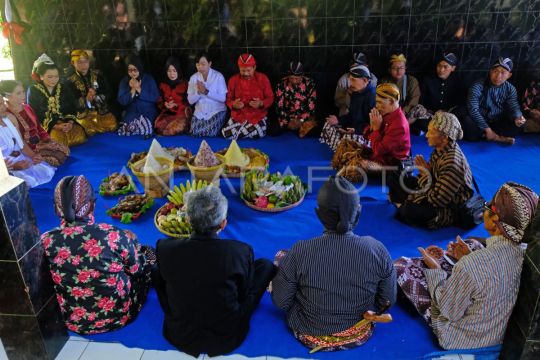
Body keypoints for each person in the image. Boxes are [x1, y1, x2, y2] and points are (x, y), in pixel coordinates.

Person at [394, 182, 538, 351]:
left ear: (494, 220)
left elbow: (449, 310)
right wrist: (469, 258)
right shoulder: (529, 255)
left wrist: (435, 271)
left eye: (487, 207)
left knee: (402, 266)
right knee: (474, 243)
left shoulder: (473, 264)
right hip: (502, 332)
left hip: (464, 338)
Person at [271, 176, 396, 352]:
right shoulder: (377, 250)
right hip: (358, 333)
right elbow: (387, 300)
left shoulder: (301, 251)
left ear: (318, 214)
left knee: (282, 258)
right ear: (358, 213)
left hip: (310, 333)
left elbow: (281, 302)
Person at [153, 186, 275, 357]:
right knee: (265, 266)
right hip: (228, 333)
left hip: (180, 333)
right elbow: (243, 291)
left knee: (157, 270)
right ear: (223, 223)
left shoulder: (165, 248)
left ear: (188, 220)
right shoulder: (239, 251)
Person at [41, 175, 154, 334]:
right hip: (118, 317)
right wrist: (134, 243)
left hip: (74, 321)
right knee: (149, 254)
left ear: (55, 209)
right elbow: (138, 268)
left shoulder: (46, 240)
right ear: (92, 206)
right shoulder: (111, 234)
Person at [389, 112, 474, 229]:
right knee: (395, 173)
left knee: (409, 209)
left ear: (444, 137)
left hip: (446, 208)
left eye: (431, 132)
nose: (426, 135)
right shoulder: (442, 148)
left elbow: (436, 200)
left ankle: (402, 205)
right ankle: (402, 204)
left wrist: (425, 174)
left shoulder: (452, 164)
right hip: (432, 187)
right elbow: (432, 177)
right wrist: (426, 174)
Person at [332, 83, 411, 183]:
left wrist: (376, 129)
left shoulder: (399, 125)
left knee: (360, 165)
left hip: (391, 166)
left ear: (391, 101)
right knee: (346, 143)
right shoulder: (387, 113)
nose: (377, 106)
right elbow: (370, 134)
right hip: (377, 155)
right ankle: (344, 167)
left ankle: (345, 175)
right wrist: (360, 131)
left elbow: (379, 150)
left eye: (380, 103)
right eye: (376, 102)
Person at [0, 80, 69, 167]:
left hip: (39, 142)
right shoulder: (7, 115)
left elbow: (39, 128)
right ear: (7, 96)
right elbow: (18, 141)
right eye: (18, 93)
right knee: (55, 159)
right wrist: (39, 148)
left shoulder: (27, 107)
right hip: (27, 148)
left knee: (65, 149)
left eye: (23, 91)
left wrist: (48, 140)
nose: (23, 95)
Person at [27, 54, 87, 147]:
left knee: (79, 136)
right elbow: (34, 114)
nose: (54, 80)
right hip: (48, 126)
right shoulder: (33, 90)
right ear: (41, 76)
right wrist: (56, 126)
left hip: (65, 121)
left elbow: (72, 106)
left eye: (56, 76)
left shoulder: (63, 87)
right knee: (58, 140)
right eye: (50, 77)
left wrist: (70, 122)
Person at [462, 57, 525, 144]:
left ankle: (486, 135)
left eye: (503, 73)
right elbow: (473, 109)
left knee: (518, 126)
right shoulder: (477, 86)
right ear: (490, 71)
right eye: (495, 71)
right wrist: (487, 129)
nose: (498, 76)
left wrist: (518, 117)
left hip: (497, 121)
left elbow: (513, 106)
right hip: (480, 120)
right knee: (467, 123)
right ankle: (496, 137)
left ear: (509, 75)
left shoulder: (510, 89)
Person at [0, 97, 55, 187]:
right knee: (25, 182)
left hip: (21, 158)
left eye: (3, 103)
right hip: (5, 168)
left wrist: (34, 156)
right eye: (0, 104)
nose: (4, 107)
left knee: (46, 171)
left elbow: (21, 144)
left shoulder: (10, 117)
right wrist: (11, 167)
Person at [320, 63, 375, 151]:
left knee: (349, 139)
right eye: (350, 80)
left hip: (364, 134)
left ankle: (344, 149)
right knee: (328, 125)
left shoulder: (372, 96)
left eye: (353, 80)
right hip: (352, 129)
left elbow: (372, 125)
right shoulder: (356, 92)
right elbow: (351, 115)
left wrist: (356, 130)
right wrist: (338, 120)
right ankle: (341, 147)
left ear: (365, 80)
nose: (350, 83)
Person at [221, 53, 274, 139]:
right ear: (239, 68)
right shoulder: (233, 80)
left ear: (254, 67)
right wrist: (233, 104)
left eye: (248, 70)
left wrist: (261, 103)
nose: (246, 73)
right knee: (226, 133)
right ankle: (248, 132)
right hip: (239, 115)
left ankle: (242, 132)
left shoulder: (262, 78)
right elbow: (227, 99)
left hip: (257, 115)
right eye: (243, 70)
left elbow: (270, 98)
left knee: (259, 132)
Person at [66, 49, 118, 136]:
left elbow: (108, 92)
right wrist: (86, 100)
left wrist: (97, 97)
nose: (83, 65)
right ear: (73, 63)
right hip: (84, 115)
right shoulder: (70, 81)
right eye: (79, 62)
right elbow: (70, 102)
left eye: (85, 61)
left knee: (112, 124)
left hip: (100, 112)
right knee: (88, 129)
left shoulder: (98, 75)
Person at [417, 52, 466, 133]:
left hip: (449, 116)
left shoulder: (459, 82)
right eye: (439, 66)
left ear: (453, 68)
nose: (441, 70)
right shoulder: (428, 80)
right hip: (431, 115)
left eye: (445, 67)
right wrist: (429, 111)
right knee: (421, 122)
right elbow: (421, 100)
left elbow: (462, 104)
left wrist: (447, 112)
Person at [117, 54, 159, 136]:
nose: (132, 73)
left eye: (135, 69)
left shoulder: (148, 79)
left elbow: (156, 97)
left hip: (148, 113)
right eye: (130, 70)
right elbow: (122, 101)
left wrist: (139, 90)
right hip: (132, 113)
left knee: (146, 126)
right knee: (127, 128)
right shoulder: (124, 81)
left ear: (139, 68)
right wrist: (132, 90)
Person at [187, 53, 228, 137]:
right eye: (198, 64)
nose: (200, 67)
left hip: (216, 111)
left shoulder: (218, 76)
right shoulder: (193, 78)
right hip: (200, 111)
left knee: (211, 133)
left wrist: (206, 92)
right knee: (194, 132)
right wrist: (198, 92)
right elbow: (190, 101)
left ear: (209, 64)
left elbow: (223, 98)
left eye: (203, 64)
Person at [275, 61, 317, 137]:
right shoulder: (281, 83)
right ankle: (291, 128)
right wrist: (288, 120)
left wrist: (300, 120)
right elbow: (279, 105)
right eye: (291, 78)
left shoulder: (310, 83)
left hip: (303, 118)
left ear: (302, 75)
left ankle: (299, 128)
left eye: (297, 78)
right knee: (273, 131)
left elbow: (311, 108)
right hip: (287, 117)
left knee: (311, 130)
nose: (294, 81)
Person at [380, 54, 422, 124]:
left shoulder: (412, 80)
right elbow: (382, 100)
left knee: (417, 111)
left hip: (406, 112)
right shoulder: (384, 82)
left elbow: (414, 98)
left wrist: (404, 111)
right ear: (389, 70)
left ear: (405, 69)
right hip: (390, 111)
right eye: (395, 68)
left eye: (401, 68)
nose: (398, 71)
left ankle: (402, 127)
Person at [154, 56, 191, 135]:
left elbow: (190, 102)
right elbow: (159, 100)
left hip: (181, 114)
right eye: (169, 71)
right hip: (167, 113)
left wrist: (177, 105)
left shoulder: (185, 84)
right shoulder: (162, 85)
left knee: (172, 129)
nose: (172, 74)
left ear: (178, 71)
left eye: (174, 71)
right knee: (158, 127)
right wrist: (165, 105)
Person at [335, 52, 378, 117]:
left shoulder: (373, 80)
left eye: (358, 65)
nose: (354, 67)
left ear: (366, 66)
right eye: (353, 65)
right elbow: (338, 101)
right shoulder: (344, 79)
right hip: (346, 111)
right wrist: (349, 97)